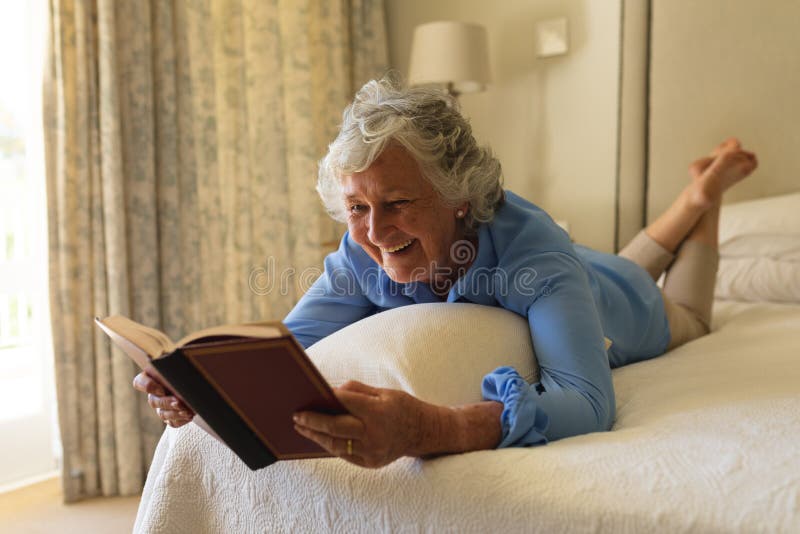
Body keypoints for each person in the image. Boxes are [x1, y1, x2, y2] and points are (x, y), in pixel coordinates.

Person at [133, 78, 757, 468]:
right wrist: (201, 384)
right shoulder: (362, 252)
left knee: (681, 308)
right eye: (356, 208)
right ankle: (691, 200)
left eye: (398, 203)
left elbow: (590, 402)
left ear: (458, 195)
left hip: (627, 307)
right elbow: (286, 349)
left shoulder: (533, 252)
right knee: (612, 260)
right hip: (583, 268)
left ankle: (707, 197)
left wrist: (437, 425)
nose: (375, 233)